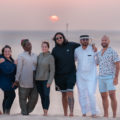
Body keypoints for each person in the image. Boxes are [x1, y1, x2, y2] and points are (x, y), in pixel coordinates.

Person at [74, 35, 98, 117]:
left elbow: (97, 61)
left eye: (86, 39)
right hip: (80, 76)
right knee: (82, 94)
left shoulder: (93, 49)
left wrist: (97, 51)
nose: (85, 41)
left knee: (91, 93)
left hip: (91, 76)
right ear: (80, 41)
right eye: (83, 39)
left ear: (88, 40)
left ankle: (94, 112)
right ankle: (84, 112)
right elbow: (74, 60)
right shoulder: (77, 50)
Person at [13, 39, 38, 115]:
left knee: (34, 98)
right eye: (27, 45)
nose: (30, 46)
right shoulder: (21, 56)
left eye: (30, 44)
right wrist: (17, 79)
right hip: (24, 79)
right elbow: (19, 68)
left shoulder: (35, 55)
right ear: (23, 47)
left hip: (34, 78)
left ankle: (25, 111)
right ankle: (24, 114)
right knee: (23, 98)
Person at [97, 35, 120, 118]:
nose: (103, 42)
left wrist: (116, 78)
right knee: (103, 97)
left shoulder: (113, 52)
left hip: (110, 77)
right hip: (101, 77)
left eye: (105, 40)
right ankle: (106, 114)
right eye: (102, 40)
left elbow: (118, 65)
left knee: (112, 96)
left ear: (109, 41)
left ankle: (114, 115)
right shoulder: (99, 53)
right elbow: (96, 63)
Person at [35, 41, 55, 116]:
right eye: (42, 46)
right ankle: (44, 110)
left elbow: (52, 70)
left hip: (46, 80)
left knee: (46, 95)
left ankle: (46, 111)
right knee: (42, 96)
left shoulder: (50, 57)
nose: (44, 48)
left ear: (48, 47)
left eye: (45, 46)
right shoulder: (39, 56)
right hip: (38, 80)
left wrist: (50, 81)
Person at [0, 45, 17, 114]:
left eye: (8, 51)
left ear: (11, 52)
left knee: (6, 96)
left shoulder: (11, 59)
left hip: (9, 81)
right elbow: (7, 70)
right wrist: (14, 64)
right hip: (4, 81)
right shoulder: (2, 59)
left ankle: (5, 113)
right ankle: (7, 112)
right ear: (3, 52)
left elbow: (14, 71)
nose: (7, 53)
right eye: (5, 51)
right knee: (12, 95)